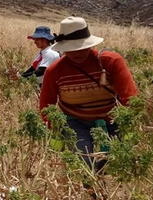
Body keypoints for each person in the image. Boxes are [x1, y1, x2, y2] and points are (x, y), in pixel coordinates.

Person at [39, 17, 138, 173]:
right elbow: (46, 106)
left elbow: (130, 98)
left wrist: (130, 126)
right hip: (76, 122)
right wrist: (57, 129)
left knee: (118, 163)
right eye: (72, 48)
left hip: (112, 120)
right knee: (84, 165)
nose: (77, 52)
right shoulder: (55, 71)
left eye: (81, 47)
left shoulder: (111, 62)